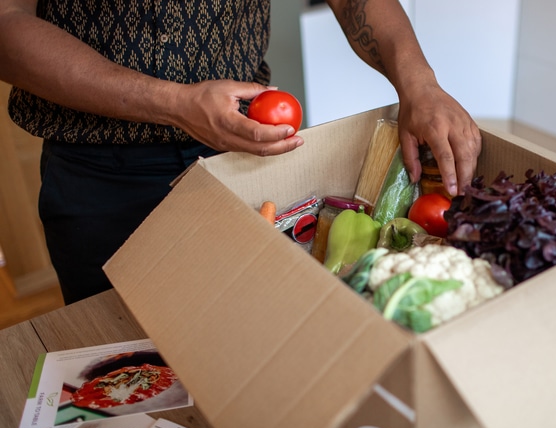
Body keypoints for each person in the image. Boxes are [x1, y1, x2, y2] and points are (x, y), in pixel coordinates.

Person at [0, 0, 482, 305]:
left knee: (259, 336)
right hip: (98, 174)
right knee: (124, 368)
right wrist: (174, 103)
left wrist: (420, 83)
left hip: (247, 156)